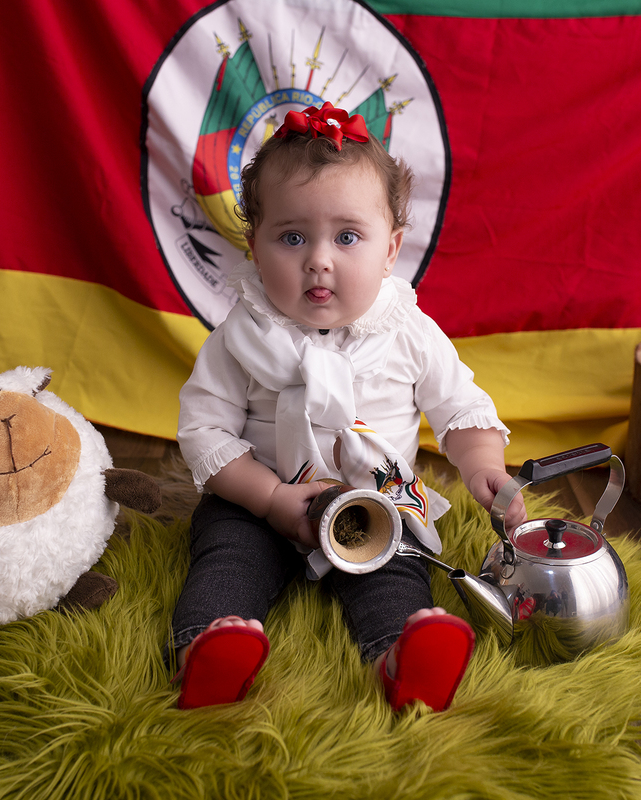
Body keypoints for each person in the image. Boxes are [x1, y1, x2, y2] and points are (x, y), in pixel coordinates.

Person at [172, 102, 526, 713]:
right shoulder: (242, 333)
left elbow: (459, 406)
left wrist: (481, 466)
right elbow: (203, 430)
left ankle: (402, 657)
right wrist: (268, 497)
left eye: (347, 237)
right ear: (254, 246)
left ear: (390, 250)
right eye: (291, 237)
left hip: (374, 505)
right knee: (226, 561)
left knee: (394, 576)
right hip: (261, 500)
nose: (319, 259)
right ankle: (208, 650)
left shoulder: (406, 329)